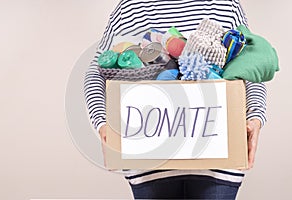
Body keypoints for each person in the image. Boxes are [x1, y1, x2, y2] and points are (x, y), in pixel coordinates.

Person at [84, 0, 266, 199]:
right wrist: (102, 123)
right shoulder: (131, 7)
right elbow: (97, 71)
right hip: (151, 164)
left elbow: (252, 67)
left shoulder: (224, 4)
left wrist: (255, 116)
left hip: (219, 162)